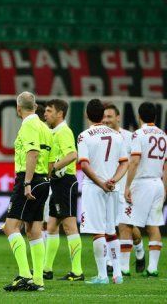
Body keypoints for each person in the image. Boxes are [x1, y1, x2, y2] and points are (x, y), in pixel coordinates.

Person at [3, 91, 53, 292]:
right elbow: (50, 159)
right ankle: (38, 280)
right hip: (44, 180)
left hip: (29, 179)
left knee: (10, 227)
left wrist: (27, 183)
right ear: (36, 106)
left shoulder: (29, 125)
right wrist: (44, 179)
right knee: (34, 231)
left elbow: (32, 153)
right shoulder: (45, 127)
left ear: (18, 108)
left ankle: (24, 274)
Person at [78, 99, 128, 285]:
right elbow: (125, 162)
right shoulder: (117, 135)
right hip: (112, 188)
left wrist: (100, 183)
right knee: (111, 231)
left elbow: (84, 165)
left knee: (98, 231)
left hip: (95, 188)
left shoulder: (84, 136)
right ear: (102, 114)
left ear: (87, 115)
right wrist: (113, 180)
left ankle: (102, 276)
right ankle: (117, 274)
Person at [123, 102, 166, 277]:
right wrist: (164, 187)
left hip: (142, 183)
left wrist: (127, 185)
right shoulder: (163, 135)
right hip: (157, 183)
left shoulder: (138, 134)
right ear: (155, 117)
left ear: (139, 116)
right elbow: (165, 166)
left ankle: (124, 267)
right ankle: (153, 268)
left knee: (126, 223)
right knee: (153, 225)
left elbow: (134, 162)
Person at [102, 104, 145, 275]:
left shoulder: (130, 137)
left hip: (126, 188)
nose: (106, 120)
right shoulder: (100, 136)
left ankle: (139, 247)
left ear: (118, 118)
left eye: (110, 117)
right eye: (104, 117)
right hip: (107, 187)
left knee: (126, 225)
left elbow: (135, 163)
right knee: (109, 224)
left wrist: (131, 185)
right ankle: (110, 263)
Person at [43, 99, 83, 281]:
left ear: (60, 114)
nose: (45, 113)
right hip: (58, 183)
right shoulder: (54, 131)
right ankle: (47, 269)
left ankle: (77, 271)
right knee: (51, 227)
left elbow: (73, 154)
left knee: (69, 226)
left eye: (49, 111)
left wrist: (54, 167)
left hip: (66, 182)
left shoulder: (63, 131)